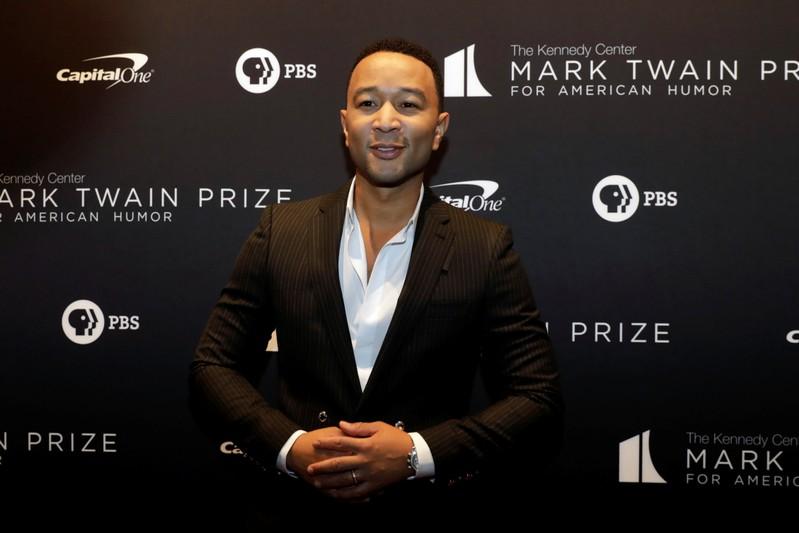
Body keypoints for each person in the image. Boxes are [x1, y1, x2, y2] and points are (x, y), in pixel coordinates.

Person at [190, 37, 562, 525]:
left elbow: (536, 396)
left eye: (409, 104)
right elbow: (213, 365)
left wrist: (415, 453)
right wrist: (291, 445)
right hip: (294, 512)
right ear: (347, 125)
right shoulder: (281, 230)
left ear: (438, 129)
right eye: (368, 103)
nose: (387, 120)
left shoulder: (485, 247)